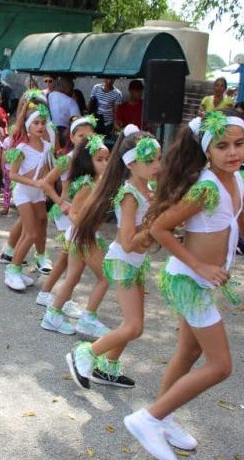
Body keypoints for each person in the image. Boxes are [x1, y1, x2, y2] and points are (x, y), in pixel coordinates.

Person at [124, 110, 244, 460]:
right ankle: (147, 419)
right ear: (208, 151)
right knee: (221, 365)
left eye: (239, 143)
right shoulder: (206, 186)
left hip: (198, 282)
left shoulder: (241, 183)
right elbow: (161, 228)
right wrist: (201, 266)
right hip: (188, 281)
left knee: (189, 354)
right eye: (222, 146)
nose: (232, 152)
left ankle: (160, 418)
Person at [68, 126, 161, 388]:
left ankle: (107, 368)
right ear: (131, 163)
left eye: (157, 158)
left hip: (134, 263)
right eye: (149, 160)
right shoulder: (130, 194)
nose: (157, 165)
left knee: (135, 325)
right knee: (133, 326)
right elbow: (130, 242)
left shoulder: (148, 189)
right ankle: (84, 353)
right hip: (123, 261)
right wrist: (157, 223)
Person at [39, 133, 111, 338]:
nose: (104, 163)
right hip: (82, 237)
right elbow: (74, 213)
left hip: (82, 236)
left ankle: (52, 316)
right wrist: (88, 232)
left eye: (107, 159)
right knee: (106, 277)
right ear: (88, 161)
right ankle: (89, 318)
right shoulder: (87, 185)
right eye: (99, 159)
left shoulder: (99, 183)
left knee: (73, 277)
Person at [34, 115, 97, 313]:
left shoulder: (91, 158)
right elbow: (45, 183)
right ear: (72, 137)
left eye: (89, 135)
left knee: (66, 258)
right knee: (73, 259)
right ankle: (61, 299)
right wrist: (61, 202)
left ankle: (49, 293)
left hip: (79, 212)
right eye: (80, 136)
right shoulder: (68, 159)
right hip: (68, 213)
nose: (85, 139)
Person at [2, 100, 53, 290]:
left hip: (38, 194)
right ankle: (12, 270)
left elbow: (47, 169)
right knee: (31, 234)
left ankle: (33, 261)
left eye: (43, 122)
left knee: (42, 220)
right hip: (23, 193)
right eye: (36, 123)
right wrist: (36, 182)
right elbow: (12, 174)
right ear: (28, 127)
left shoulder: (47, 147)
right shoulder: (22, 149)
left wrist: (49, 187)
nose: (40, 126)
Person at [47, 77, 81, 145]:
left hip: (48, 130)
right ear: (66, 87)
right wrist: (68, 130)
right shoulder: (71, 101)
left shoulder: (49, 96)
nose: (72, 91)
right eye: (71, 88)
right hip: (63, 132)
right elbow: (76, 119)